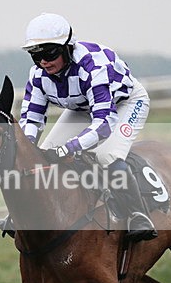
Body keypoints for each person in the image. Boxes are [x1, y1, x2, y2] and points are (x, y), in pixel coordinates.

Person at [17, 12, 157, 241]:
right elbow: (31, 120)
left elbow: (104, 123)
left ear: (67, 48)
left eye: (49, 53)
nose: (43, 61)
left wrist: (70, 147)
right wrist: (28, 149)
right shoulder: (37, 76)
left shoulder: (92, 67)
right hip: (82, 107)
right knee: (43, 154)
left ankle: (138, 214)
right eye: (36, 55)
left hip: (124, 103)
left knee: (106, 155)